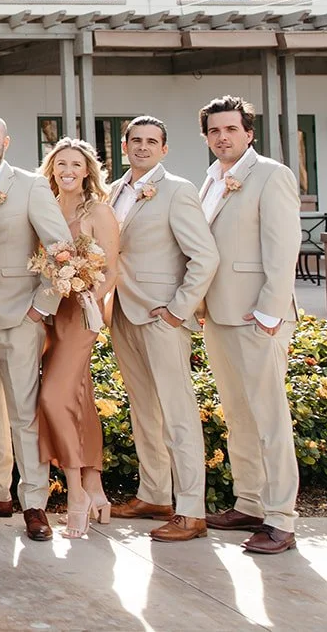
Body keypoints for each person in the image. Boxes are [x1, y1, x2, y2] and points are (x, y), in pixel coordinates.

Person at [195, 95, 300, 555]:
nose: (223, 137)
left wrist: (270, 312)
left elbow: (283, 248)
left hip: (258, 318)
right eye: (215, 131)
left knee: (269, 419)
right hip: (218, 315)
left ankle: (281, 518)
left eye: (231, 129)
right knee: (238, 415)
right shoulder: (211, 178)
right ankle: (250, 502)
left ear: (249, 132)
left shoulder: (272, 175)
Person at [105, 115, 218, 543]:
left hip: (161, 317)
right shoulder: (114, 191)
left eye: (152, 141)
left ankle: (192, 510)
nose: (142, 147)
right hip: (122, 314)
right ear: (125, 145)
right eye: (135, 140)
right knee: (143, 409)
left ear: (164, 149)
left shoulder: (178, 190)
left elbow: (204, 257)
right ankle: (154, 493)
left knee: (178, 412)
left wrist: (178, 310)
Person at [0, 114, 71, 542]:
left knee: (24, 414)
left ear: (6, 140)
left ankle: (34, 503)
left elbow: (61, 250)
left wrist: (41, 306)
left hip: (18, 315)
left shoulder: (29, 185)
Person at [35, 138, 119, 539]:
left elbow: (113, 270)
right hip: (47, 312)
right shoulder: (45, 205)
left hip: (79, 316)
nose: (68, 170)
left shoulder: (98, 211)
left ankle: (75, 495)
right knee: (78, 396)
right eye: (61, 163)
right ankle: (96, 488)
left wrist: (89, 295)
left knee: (54, 396)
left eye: (76, 164)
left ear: (88, 170)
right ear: (51, 168)